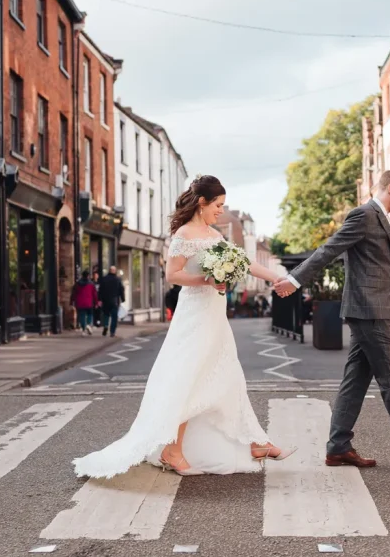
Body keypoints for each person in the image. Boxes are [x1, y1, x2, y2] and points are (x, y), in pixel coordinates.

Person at [73, 175, 293, 478]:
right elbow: (173, 276)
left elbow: (243, 262)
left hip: (216, 315)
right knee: (190, 377)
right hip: (195, 314)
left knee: (228, 373)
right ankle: (172, 449)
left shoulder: (214, 234)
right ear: (202, 203)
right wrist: (207, 279)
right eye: (217, 205)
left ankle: (255, 441)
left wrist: (276, 279)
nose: (220, 210)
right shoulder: (184, 235)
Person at [273, 169, 390, 473]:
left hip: (370, 310)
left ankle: (338, 448)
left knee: (355, 382)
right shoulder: (364, 215)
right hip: (369, 311)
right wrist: (295, 279)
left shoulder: (382, 219)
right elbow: (329, 250)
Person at [98, 266, 125, 337]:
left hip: (105, 300)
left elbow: (100, 290)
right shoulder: (118, 279)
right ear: (115, 271)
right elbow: (121, 290)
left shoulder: (104, 279)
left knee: (106, 314)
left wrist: (100, 299)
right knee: (114, 317)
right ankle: (112, 332)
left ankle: (106, 326)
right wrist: (123, 299)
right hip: (114, 301)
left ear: (109, 271)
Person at [70, 269, 97, 335]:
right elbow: (95, 294)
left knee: (82, 315)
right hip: (89, 302)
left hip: (79, 303)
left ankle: (83, 329)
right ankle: (88, 324)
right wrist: (96, 302)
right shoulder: (91, 284)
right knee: (90, 314)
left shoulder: (77, 284)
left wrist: (71, 301)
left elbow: (74, 293)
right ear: (88, 276)